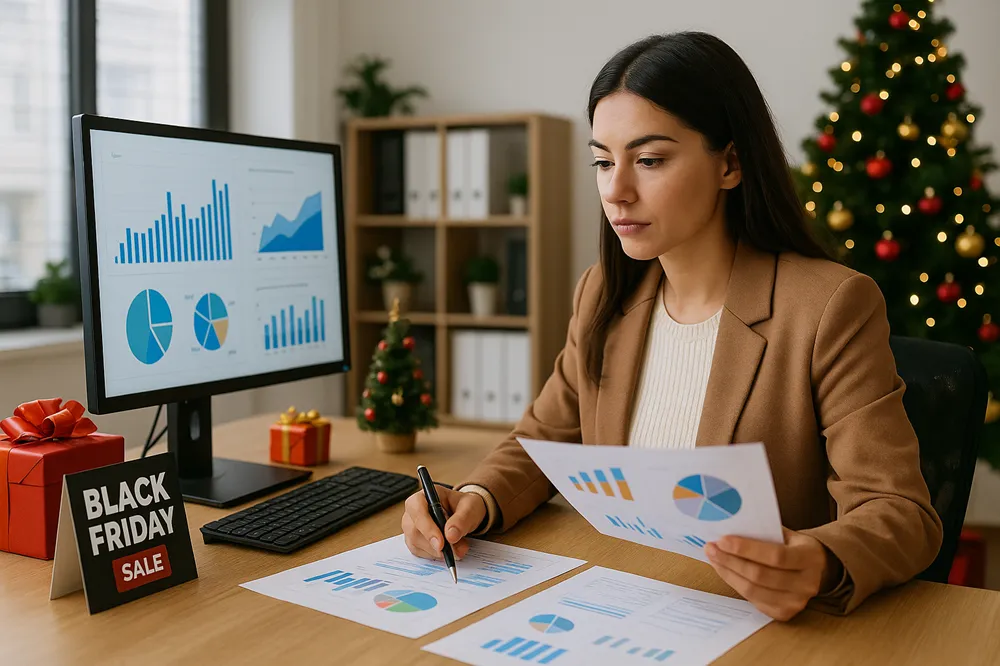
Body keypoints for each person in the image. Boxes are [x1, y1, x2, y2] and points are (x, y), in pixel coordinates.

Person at [401, 31, 942, 621]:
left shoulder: (830, 305)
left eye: (649, 160)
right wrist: (473, 500)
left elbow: (900, 511)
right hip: (621, 606)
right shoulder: (603, 293)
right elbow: (543, 442)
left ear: (730, 163)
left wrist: (819, 558)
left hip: (750, 623)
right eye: (604, 161)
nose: (616, 190)